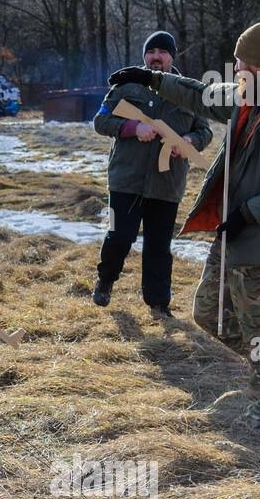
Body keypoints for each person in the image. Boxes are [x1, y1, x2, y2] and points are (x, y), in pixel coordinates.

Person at [107, 21, 260, 431]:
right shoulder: (250, 95)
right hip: (233, 229)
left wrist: (249, 213)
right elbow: (201, 96)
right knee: (209, 316)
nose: (237, 71)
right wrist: (152, 79)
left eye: (243, 64)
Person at [91, 31, 213, 317]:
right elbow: (101, 120)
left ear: (172, 56)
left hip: (167, 182)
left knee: (159, 246)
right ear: (144, 56)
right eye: (151, 51)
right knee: (119, 236)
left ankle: (158, 304)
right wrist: (133, 128)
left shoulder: (188, 91)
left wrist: (189, 142)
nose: (156, 56)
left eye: (162, 51)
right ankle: (105, 280)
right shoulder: (126, 86)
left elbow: (204, 131)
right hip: (126, 178)